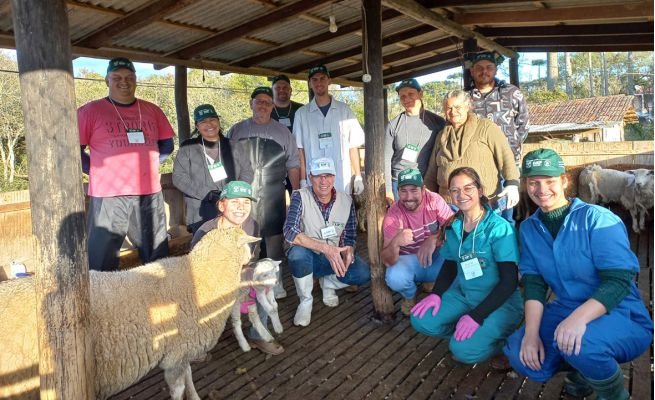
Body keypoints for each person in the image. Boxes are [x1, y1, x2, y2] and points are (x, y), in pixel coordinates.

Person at [503, 149, 653, 400]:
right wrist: (530, 335)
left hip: (620, 311)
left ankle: (615, 394)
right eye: (533, 182)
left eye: (549, 181)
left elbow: (618, 280)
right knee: (519, 351)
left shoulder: (598, 218)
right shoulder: (529, 228)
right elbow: (534, 283)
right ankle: (583, 370)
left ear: (564, 181)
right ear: (525, 185)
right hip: (566, 308)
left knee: (581, 344)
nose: (542, 190)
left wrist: (578, 319)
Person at [411, 167, 523, 366]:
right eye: (455, 190)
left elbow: (510, 281)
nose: (461, 195)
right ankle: (471, 336)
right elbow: (451, 263)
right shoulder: (454, 226)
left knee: (463, 351)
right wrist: (436, 293)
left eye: (468, 188)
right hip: (465, 294)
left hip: (500, 302)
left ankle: (504, 344)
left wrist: (477, 315)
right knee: (420, 319)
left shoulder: (498, 228)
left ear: (480, 190)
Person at [78, 57, 175, 271]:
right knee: (101, 258)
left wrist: (150, 166)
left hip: (149, 193)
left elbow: (167, 145)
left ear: (136, 80)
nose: (124, 82)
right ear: (107, 80)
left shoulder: (152, 110)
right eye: (117, 77)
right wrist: (95, 170)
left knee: (157, 254)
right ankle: (102, 302)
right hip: (108, 194)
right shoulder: (90, 111)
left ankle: (158, 299)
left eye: (130, 77)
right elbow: (74, 151)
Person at [191, 181, 284, 356]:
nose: (241, 207)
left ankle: (257, 335)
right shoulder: (205, 233)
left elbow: (252, 259)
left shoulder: (252, 226)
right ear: (221, 205)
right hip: (211, 283)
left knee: (265, 274)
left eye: (246, 202)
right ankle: (196, 341)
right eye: (234, 202)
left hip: (239, 277)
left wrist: (247, 283)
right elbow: (196, 273)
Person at [229, 86, 301, 299]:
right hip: (244, 196)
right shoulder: (236, 130)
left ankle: (275, 281)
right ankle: (248, 284)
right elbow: (226, 162)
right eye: (258, 101)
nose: (262, 105)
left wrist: (296, 192)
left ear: (272, 107)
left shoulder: (283, 132)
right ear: (250, 103)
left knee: (273, 239)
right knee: (246, 240)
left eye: (267, 102)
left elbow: (294, 164)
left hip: (273, 193)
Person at [283, 157, 371, 327]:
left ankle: (328, 283)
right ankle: (305, 301)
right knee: (297, 255)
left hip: (334, 258)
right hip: (310, 257)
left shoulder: (347, 200)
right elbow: (290, 231)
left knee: (363, 273)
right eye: (318, 176)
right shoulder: (299, 196)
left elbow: (350, 235)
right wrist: (325, 248)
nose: (324, 181)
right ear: (310, 177)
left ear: (334, 177)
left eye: (328, 175)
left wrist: (348, 251)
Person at [423, 90, 519, 211]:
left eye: (457, 107)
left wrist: (512, 183)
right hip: (448, 205)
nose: (453, 112)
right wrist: (427, 194)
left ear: (467, 106)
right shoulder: (441, 136)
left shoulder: (486, 127)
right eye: (449, 108)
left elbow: (505, 155)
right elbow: (433, 168)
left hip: (483, 202)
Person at [381, 168, 453, 316]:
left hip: (436, 256)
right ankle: (410, 295)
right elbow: (386, 260)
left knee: (461, 263)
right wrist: (395, 242)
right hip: (409, 261)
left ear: (423, 189)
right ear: (397, 191)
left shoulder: (435, 200)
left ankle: (435, 284)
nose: (408, 197)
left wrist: (433, 239)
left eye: (414, 190)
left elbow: (455, 230)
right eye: (403, 191)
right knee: (394, 277)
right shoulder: (393, 214)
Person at [467, 51, 529, 224]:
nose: (484, 71)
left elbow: (523, 126)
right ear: (472, 71)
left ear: (495, 70)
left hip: (507, 166)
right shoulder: (466, 98)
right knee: (480, 214)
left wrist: (509, 149)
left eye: (488, 67)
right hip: (478, 166)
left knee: (506, 213)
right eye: (479, 68)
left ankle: (506, 247)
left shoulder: (511, 93)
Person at [293, 65, 365, 195]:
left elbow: (353, 146)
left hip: (341, 177)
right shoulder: (301, 114)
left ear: (329, 81)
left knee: (341, 211)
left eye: (322, 78)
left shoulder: (344, 110)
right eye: (314, 79)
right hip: (313, 177)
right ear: (310, 84)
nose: (318, 82)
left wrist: (358, 176)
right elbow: (300, 151)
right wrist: (303, 179)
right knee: (315, 213)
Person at [172, 104, 234, 234]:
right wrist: (208, 194)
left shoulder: (233, 145)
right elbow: (178, 178)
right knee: (204, 248)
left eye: (212, 119)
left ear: (218, 121)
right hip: (200, 209)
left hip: (230, 205)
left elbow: (246, 171)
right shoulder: (187, 148)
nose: (209, 124)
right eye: (203, 121)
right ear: (197, 126)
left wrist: (233, 195)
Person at [385, 78, 446, 202]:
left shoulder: (437, 122)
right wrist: (388, 190)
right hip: (399, 182)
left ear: (420, 94)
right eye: (402, 96)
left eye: (411, 94)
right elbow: (385, 159)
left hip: (426, 182)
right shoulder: (393, 125)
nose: (406, 99)